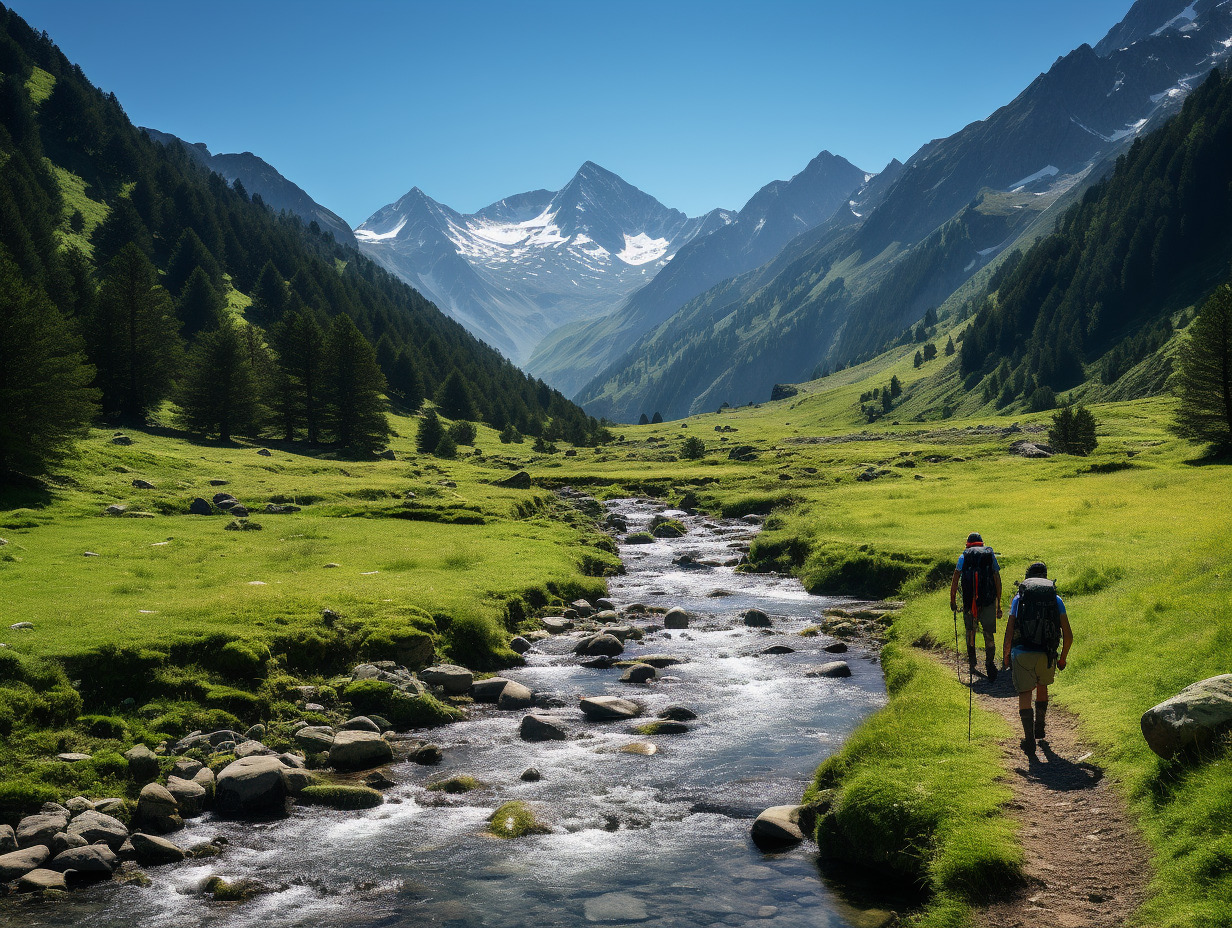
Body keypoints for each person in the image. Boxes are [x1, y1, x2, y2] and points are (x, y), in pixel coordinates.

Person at [1002, 561, 1073, 753]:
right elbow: (1068, 635)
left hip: (1022, 653)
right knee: (1042, 685)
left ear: (1027, 578)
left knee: (1025, 692)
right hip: (1047, 653)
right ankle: (1040, 728)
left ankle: (1029, 740)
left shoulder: (1019, 598)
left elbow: (1009, 632)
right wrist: (1062, 658)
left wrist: (1006, 654)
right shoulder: (1055, 599)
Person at [950, 532, 1002, 681]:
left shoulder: (963, 556)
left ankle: (972, 663)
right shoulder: (989, 555)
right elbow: (997, 578)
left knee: (970, 632)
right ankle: (989, 662)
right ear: (982, 543)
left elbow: (955, 579)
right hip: (988, 601)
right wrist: (998, 604)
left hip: (969, 602)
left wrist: (953, 600)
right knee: (988, 633)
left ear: (968, 544)